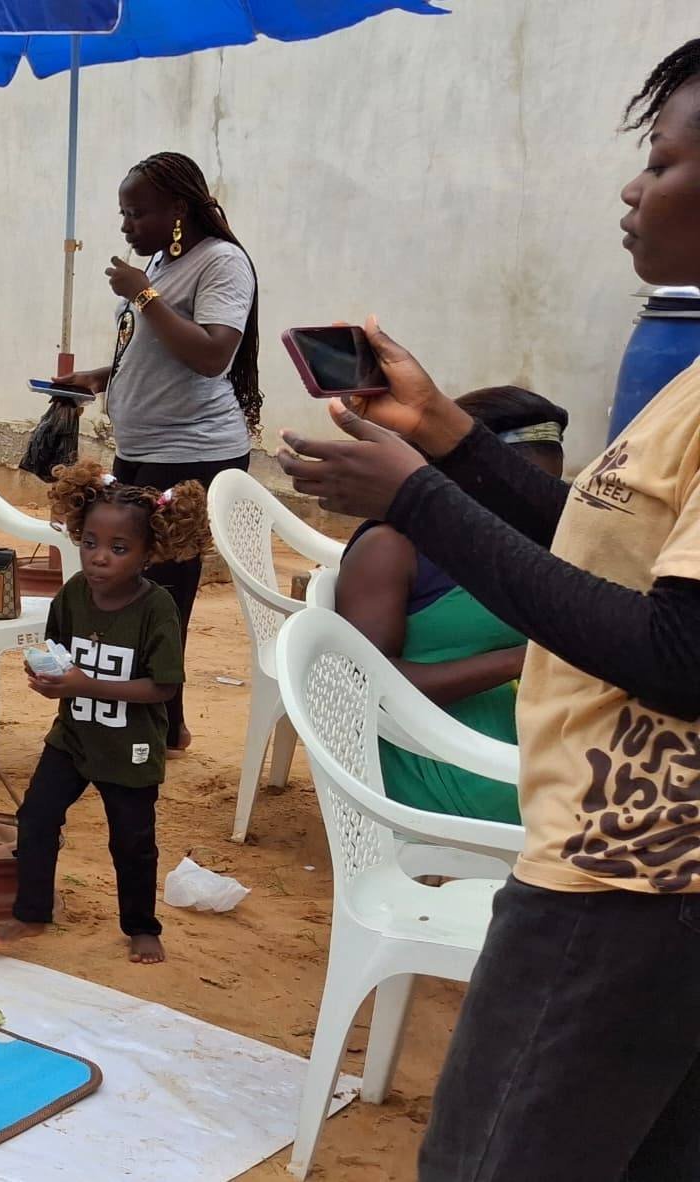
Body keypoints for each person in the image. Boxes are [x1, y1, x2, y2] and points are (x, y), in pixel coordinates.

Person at [276, 44, 700, 1180]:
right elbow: (609, 550)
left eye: (658, 162)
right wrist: (449, 444)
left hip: (629, 891)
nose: (630, 188)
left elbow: (679, 653)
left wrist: (416, 501)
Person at [58, 153, 261, 753]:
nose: (125, 226)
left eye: (136, 212)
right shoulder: (160, 263)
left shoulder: (222, 263)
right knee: (131, 587)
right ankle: (157, 716)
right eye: (123, 212)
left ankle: (162, 721)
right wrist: (101, 377)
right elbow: (157, 351)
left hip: (194, 452)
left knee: (165, 594)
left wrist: (144, 295)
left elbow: (211, 355)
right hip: (144, 449)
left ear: (178, 208)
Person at [0, 461, 207, 964]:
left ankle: (141, 926)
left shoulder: (157, 609)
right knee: (37, 818)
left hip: (128, 749)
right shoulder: (71, 596)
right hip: (72, 739)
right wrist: (48, 679)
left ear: (149, 553)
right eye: (90, 543)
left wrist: (87, 683)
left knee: (132, 842)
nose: (99, 558)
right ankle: (31, 911)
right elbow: (56, 651)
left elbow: (164, 687)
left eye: (118, 548)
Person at [332, 386, 568, 825]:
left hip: (517, 739)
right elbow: (367, 686)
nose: (532, 506)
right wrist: (520, 661)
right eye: (516, 490)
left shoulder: (524, 542)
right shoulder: (393, 548)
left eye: (542, 490)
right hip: (441, 760)